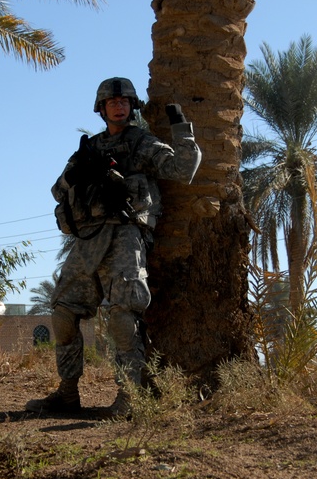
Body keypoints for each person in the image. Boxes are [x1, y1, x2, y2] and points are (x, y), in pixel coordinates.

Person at [26, 77, 202, 417]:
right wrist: (77, 175)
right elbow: (57, 191)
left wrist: (181, 126)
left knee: (122, 314)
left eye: (124, 102)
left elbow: (184, 169)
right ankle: (66, 392)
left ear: (131, 107)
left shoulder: (142, 143)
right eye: (112, 102)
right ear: (102, 108)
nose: (118, 106)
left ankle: (130, 396)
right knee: (63, 310)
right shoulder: (88, 149)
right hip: (88, 239)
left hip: (125, 235)